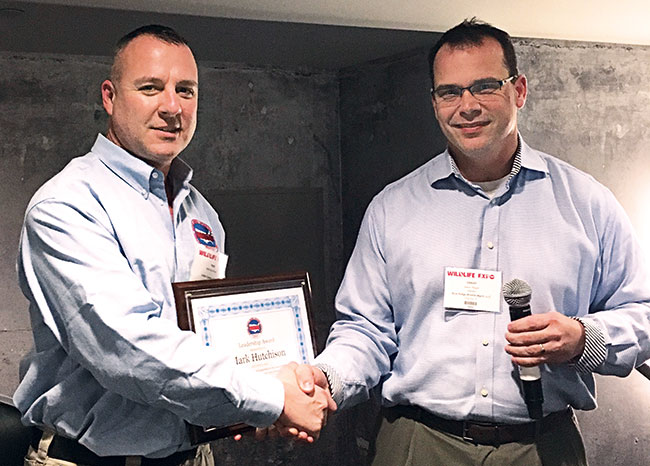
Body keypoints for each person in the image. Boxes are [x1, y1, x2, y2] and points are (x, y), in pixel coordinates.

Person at [295, 18, 650, 466]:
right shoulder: (392, 208)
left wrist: (585, 338)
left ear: (518, 90)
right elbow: (365, 331)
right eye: (450, 92)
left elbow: (643, 313)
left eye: (485, 86)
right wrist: (327, 379)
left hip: (541, 445)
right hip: (418, 444)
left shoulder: (588, 203)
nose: (467, 106)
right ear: (434, 102)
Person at [14, 24, 333, 466]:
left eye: (186, 90)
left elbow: (207, 336)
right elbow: (125, 347)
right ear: (110, 96)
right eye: (150, 88)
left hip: (192, 453)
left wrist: (238, 408)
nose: (171, 107)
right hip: (86, 459)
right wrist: (270, 397)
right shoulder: (67, 206)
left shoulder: (201, 214)